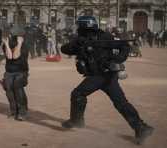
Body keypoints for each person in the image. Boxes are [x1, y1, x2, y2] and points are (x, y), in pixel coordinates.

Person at [61, 16, 153, 145]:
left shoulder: (105, 37)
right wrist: (77, 43)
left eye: (79, 26)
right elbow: (64, 49)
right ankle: (141, 128)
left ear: (84, 26)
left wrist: (116, 61)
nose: (78, 29)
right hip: (104, 76)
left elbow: (124, 46)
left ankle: (76, 121)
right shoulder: (82, 40)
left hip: (101, 75)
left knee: (77, 94)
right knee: (121, 103)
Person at [2, 25, 29, 121]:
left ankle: (23, 112)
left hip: (21, 71)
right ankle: (14, 111)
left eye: (11, 34)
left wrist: (19, 43)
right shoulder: (7, 43)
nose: (9, 36)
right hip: (9, 71)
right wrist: (6, 44)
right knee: (8, 89)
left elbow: (16, 56)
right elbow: (9, 57)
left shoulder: (24, 45)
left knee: (17, 88)